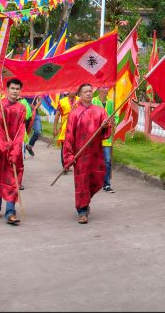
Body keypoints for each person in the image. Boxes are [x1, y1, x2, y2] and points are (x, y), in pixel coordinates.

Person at [62, 83, 111, 224]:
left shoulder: (100, 111)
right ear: (80, 94)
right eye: (85, 91)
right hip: (80, 155)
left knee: (96, 179)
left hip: (95, 153)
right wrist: (69, 156)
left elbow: (105, 133)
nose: (89, 93)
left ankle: (86, 200)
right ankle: (82, 211)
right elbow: (69, 136)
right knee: (81, 182)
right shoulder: (75, 113)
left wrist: (107, 126)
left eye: (90, 91)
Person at [0, 79, 27, 225]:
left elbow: (21, 130)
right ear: (7, 89)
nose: (15, 91)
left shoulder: (21, 108)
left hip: (13, 149)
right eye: (13, 88)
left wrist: (14, 149)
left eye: (17, 89)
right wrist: (4, 143)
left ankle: (10, 212)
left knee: (12, 179)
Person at [92, 88, 115, 193]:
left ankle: (106, 184)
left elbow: (116, 117)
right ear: (99, 90)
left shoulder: (111, 103)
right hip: (95, 135)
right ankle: (94, 181)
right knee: (94, 160)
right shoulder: (93, 101)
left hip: (107, 136)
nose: (106, 90)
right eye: (104, 89)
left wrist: (112, 122)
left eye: (107, 89)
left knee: (107, 161)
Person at [54, 93, 72, 173]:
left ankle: (71, 162)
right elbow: (57, 115)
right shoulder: (62, 101)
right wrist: (55, 128)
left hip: (77, 126)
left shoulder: (80, 100)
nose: (74, 91)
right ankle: (65, 165)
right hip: (65, 127)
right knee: (65, 146)